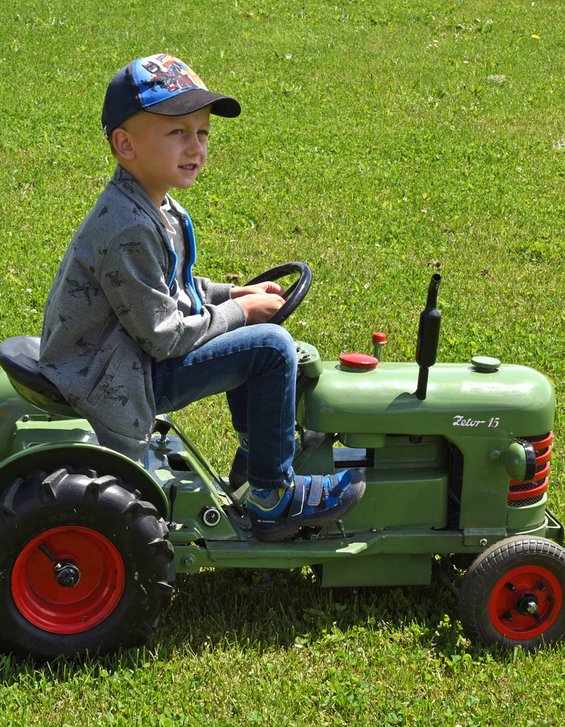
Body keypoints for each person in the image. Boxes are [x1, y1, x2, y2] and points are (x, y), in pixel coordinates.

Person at [39, 53, 364, 541]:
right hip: (117, 377)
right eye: (177, 132)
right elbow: (164, 337)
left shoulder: (152, 205)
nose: (196, 147)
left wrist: (234, 292)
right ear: (125, 145)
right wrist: (239, 312)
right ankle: (273, 494)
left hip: (121, 357)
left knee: (254, 337)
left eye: (202, 132)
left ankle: (256, 466)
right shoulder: (128, 228)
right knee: (270, 348)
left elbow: (170, 290)